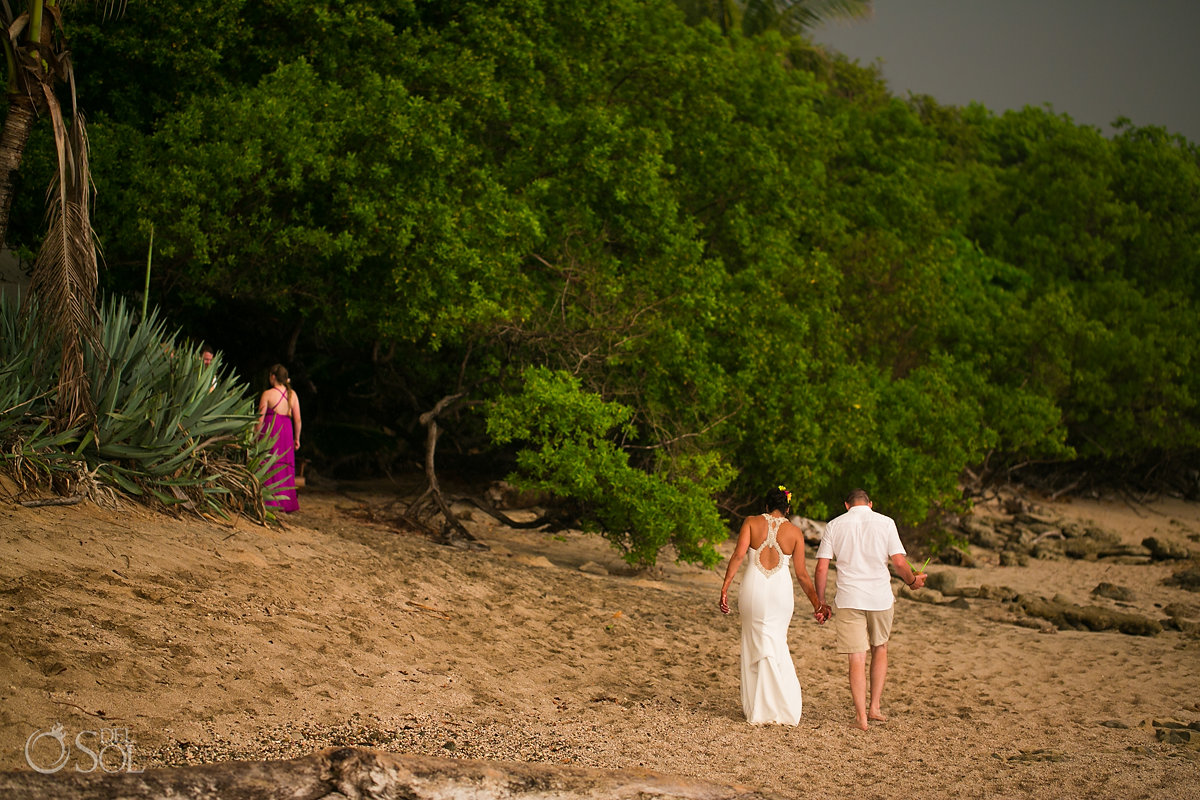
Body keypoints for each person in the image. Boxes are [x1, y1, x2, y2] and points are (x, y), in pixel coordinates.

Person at [814, 488, 926, 731]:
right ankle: (875, 707)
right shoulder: (886, 523)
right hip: (880, 598)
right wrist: (912, 581)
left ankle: (860, 717)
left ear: (847, 505)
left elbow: (822, 568)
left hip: (849, 598)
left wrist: (821, 602)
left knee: (856, 656)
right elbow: (898, 562)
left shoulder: (834, 525)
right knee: (880, 648)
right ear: (870, 503)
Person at [719, 485, 831, 725]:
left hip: (753, 589)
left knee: (753, 641)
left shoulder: (751, 522)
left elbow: (739, 556)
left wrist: (725, 587)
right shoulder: (795, 533)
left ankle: (759, 708)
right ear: (788, 508)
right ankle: (782, 706)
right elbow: (801, 575)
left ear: (767, 506)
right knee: (777, 642)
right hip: (780, 593)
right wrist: (817, 604)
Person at [257, 364, 302, 513]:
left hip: (272, 430)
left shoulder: (267, 394)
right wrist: (297, 438)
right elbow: (298, 420)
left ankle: (270, 501)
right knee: (285, 464)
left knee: (270, 462)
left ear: (273, 376)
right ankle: (286, 503)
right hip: (287, 431)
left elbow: (260, 420)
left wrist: (255, 437)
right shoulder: (292, 394)